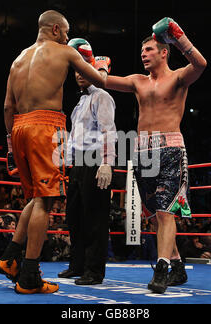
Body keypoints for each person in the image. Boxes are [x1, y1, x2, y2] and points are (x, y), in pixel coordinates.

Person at [0, 10, 107, 294]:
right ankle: (30, 275)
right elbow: (100, 81)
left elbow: (8, 107)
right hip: (46, 127)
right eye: (67, 32)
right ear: (56, 29)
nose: (68, 38)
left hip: (18, 128)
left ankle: (10, 259)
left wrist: (10, 142)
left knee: (34, 198)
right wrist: (103, 66)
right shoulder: (65, 51)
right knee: (46, 201)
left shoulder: (18, 59)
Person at [105, 17, 207, 293]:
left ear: (164, 51)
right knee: (154, 215)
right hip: (142, 152)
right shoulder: (138, 81)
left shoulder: (178, 78)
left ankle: (161, 269)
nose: (143, 54)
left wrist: (179, 38)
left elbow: (200, 64)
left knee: (164, 212)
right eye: (142, 52)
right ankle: (177, 267)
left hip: (170, 149)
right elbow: (103, 80)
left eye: (149, 50)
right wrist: (87, 61)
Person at [58, 50, 116, 285]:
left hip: (95, 160)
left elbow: (108, 131)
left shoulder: (101, 95)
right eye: (77, 70)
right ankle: (77, 265)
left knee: (95, 218)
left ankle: (94, 271)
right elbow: (74, 139)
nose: (80, 74)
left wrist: (106, 164)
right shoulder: (80, 102)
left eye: (85, 70)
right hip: (79, 164)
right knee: (75, 216)